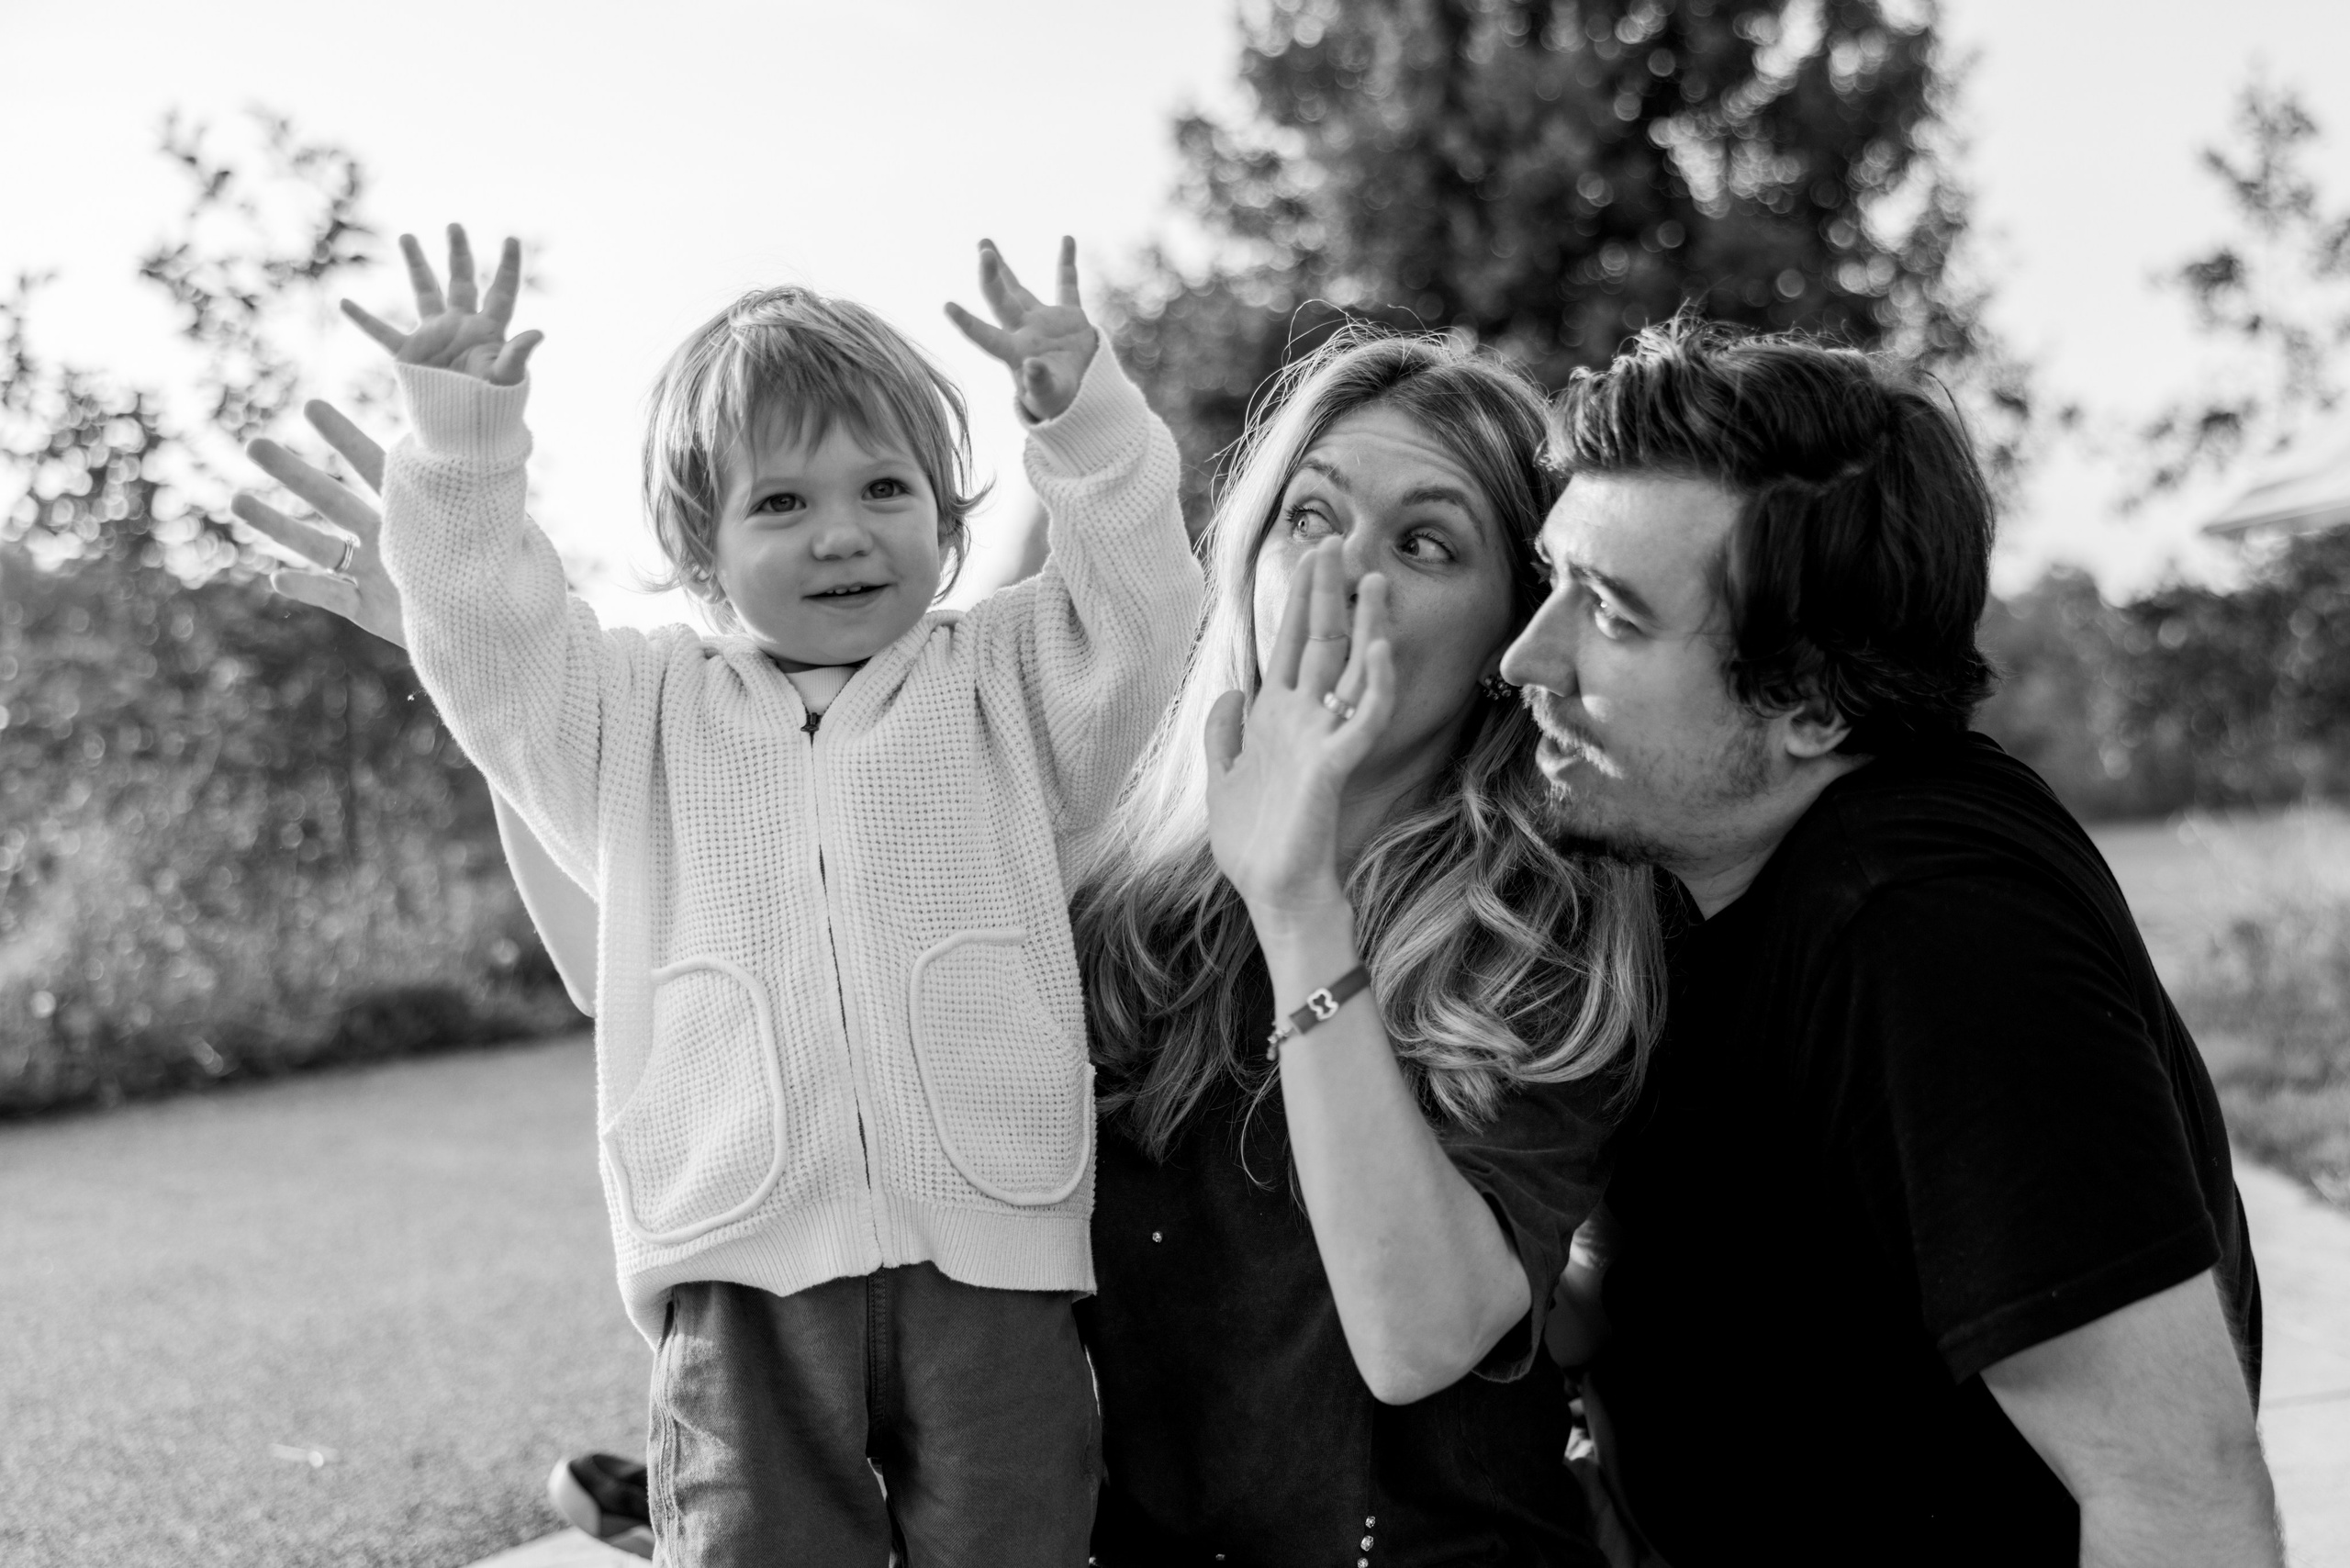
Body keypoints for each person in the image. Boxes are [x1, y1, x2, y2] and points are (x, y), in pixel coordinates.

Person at [240, 327, 1663, 1566]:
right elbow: (639, 961)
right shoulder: (1120, 882)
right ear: (1247, 560)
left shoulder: (1540, 923)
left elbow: (1424, 1341)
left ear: (1509, 627)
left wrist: (1300, 905)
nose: (1346, 570)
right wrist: (468, 662)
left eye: (1427, 541)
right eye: (1311, 515)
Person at [322, 224, 1202, 1566]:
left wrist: (1086, 423)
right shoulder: (635, 707)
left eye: (885, 488)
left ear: (947, 514)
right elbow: (486, 635)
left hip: (996, 1259)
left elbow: (1142, 606)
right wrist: (459, 441)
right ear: (697, 544)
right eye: (781, 504)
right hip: (738, 1275)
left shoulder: (1013, 683)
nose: (843, 534)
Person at [1499, 316, 2281, 1566]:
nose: (1527, 655)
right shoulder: (1709, 861)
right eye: (1553, 579)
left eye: (1612, 613)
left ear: (1810, 701)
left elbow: (2187, 1506)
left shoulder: (1932, 930)